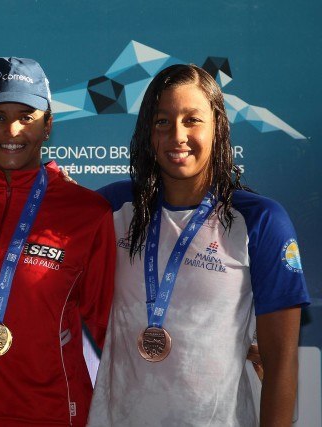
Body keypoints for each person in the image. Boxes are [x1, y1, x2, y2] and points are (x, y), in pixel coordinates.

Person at [87, 64, 310, 426]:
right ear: (147, 131)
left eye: (192, 119)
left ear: (217, 126)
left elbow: (281, 360)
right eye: (162, 121)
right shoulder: (111, 208)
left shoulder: (260, 220)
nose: (177, 135)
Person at [0, 57, 116, 426]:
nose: (12, 130)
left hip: (48, 413)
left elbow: (111, 325)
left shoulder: (86, 211)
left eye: (27, 116)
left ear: (48, 125)